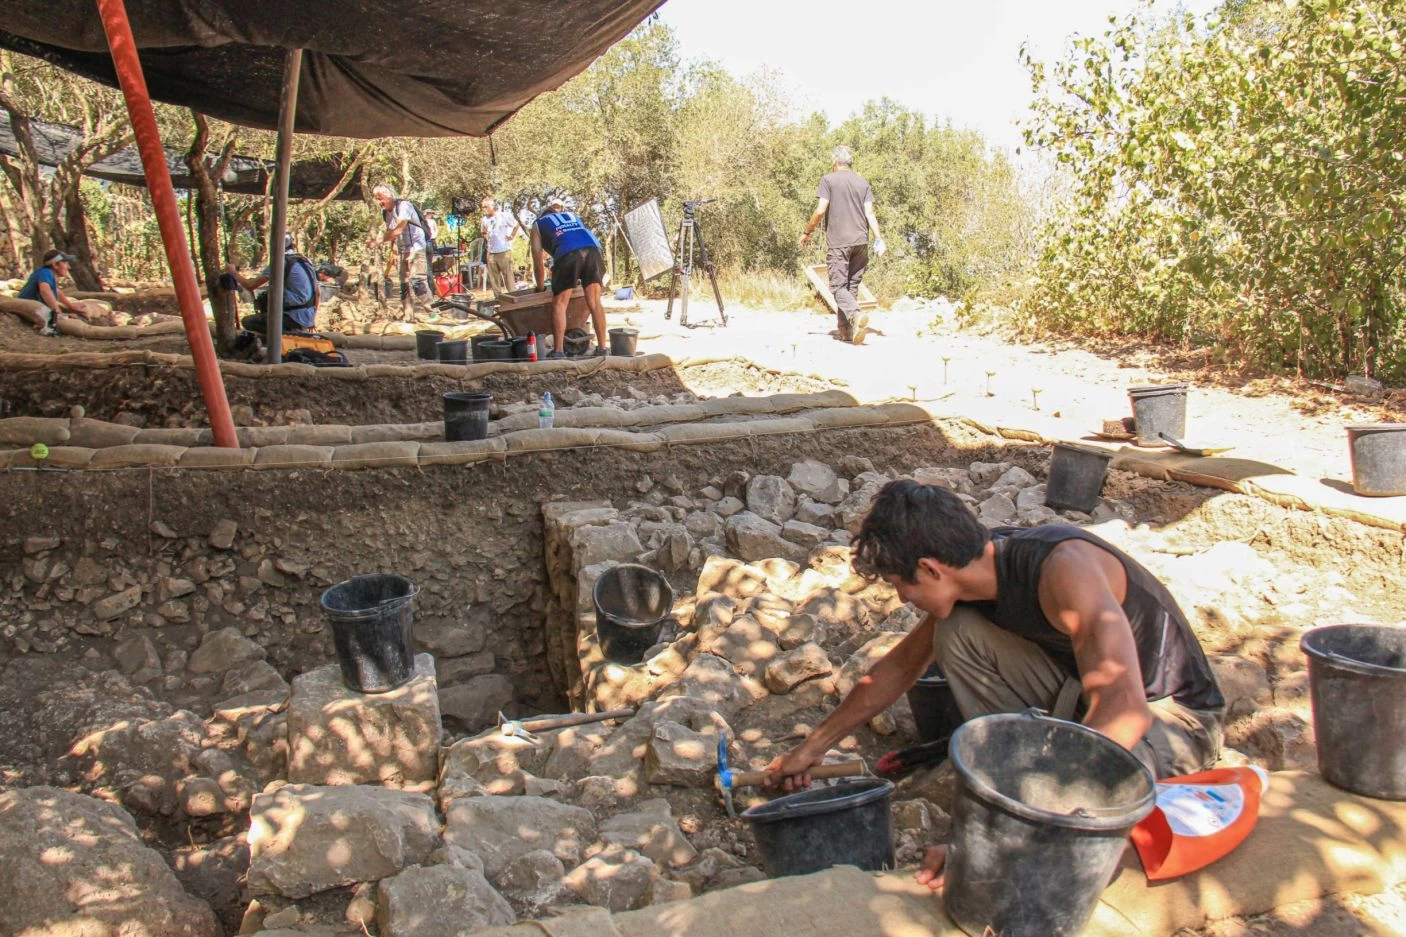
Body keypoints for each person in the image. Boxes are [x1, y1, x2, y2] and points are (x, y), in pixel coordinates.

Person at [765, 479, 1226, 890]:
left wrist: (996, 844)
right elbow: (900, 667)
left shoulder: (1064, 569)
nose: (902, 597)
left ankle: (1029, 804)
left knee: (1060, 847)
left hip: (1169, 717)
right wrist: (814, 745)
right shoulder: (978, 575)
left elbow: (1123, 714)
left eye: (898, 584)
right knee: (957, 631)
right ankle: (1019, 774)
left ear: (929, 568)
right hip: (1087, 703)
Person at [800, 145, 886, 345]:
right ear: (850, 162)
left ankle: (855, 316)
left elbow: (821, 210)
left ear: (835, 161)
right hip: (861, 242)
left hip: (840, 242)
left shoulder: (828, 180)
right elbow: (870, 213)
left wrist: (807, 232)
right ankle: (846, 331)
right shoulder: (862, 182)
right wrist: (879, 238)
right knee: (850, 287)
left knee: (838, 287)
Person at [531, 196, 609, 358]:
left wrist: (539, 287)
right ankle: (602, 349)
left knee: (559, 303)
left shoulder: (538, 224)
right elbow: (580, 241)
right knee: (595, 302)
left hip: (568, 253)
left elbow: (538, 261)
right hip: (594, 250)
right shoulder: (573, 216)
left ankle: (558, 351)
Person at [226, 234, 319, 334]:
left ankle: (285, 335)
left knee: (248, 321)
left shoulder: (280, 262)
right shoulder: (305, 261)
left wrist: (233, 273)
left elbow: (250, 285)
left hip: (293, 316)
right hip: (307, 316)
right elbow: (317, 292)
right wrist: (312, 319)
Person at [368, 183, 432, 319]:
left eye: (381, 198)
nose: (380, 202)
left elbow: (398, 230)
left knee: (417, 280)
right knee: (404, 284)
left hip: (416, 247)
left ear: (390, 196)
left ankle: (432, 311)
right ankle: (408, 315)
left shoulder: (404, 206)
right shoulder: (386, 213)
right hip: (403, 249)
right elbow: (391, 232)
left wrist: (377, 242)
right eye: (377, 199)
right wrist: (394, 252)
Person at [13, 249, 110, 334]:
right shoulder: (46, 272)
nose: (68, 267)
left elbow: (56, 292)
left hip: (38, 307)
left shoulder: (48, 275)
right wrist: (57, 312)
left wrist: (71, 307)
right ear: (55, 265)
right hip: (30, 306)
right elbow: (45, 290)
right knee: (61, 322)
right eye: (65, 263)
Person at [481, 197, 522, 293]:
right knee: (494, 279)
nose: (485, 209)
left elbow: (516, 224)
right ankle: (498, 299)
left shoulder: (502, 216)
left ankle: (513, 297)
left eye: (486, 206)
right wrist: (487, 239)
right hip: (491, 252)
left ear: (492, 206)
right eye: (483, 207)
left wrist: (511, 236)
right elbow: (483, 232)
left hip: (503, 251)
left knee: (508, 277)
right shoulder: (484, 219)